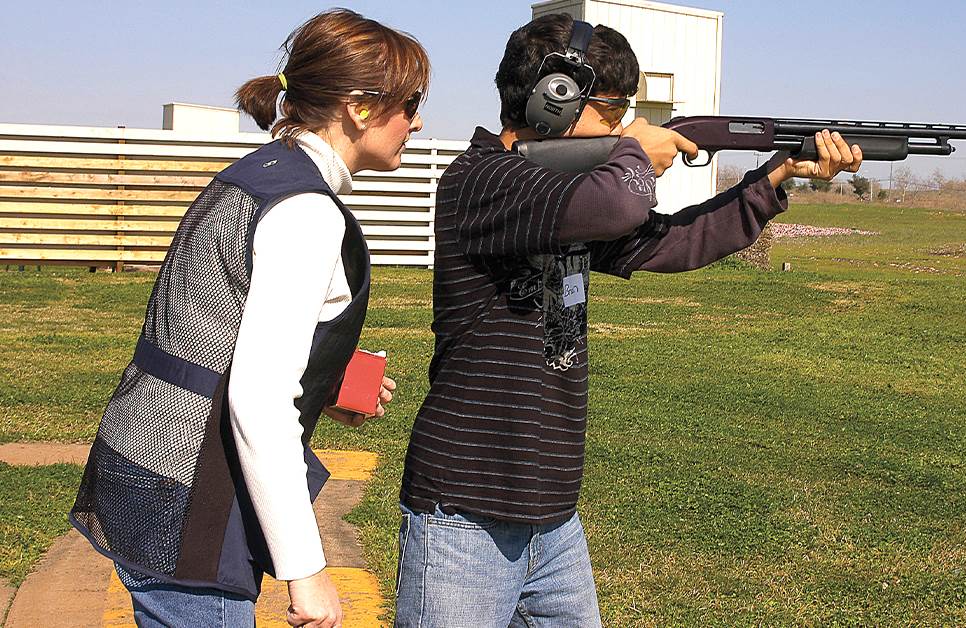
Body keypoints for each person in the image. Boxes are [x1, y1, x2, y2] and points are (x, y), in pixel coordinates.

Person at [392, 12, 862, 628]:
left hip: (552, 513)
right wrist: (634, 151)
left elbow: (674, 242)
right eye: (612, 111)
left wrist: (773, 180)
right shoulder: (483, 180)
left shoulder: (562, 196)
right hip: (465, 512)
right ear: (552, 100)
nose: (620, 126)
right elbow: (618, 200)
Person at [69, 9, 424, 627]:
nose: (417, 122)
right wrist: (308, 573)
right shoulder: (306, 210)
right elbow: (258, 402)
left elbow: (209, 315)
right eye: (410, 102)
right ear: (360, 108)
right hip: (193, 496)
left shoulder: (259, 173)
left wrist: (322, 380)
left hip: (148, 461)